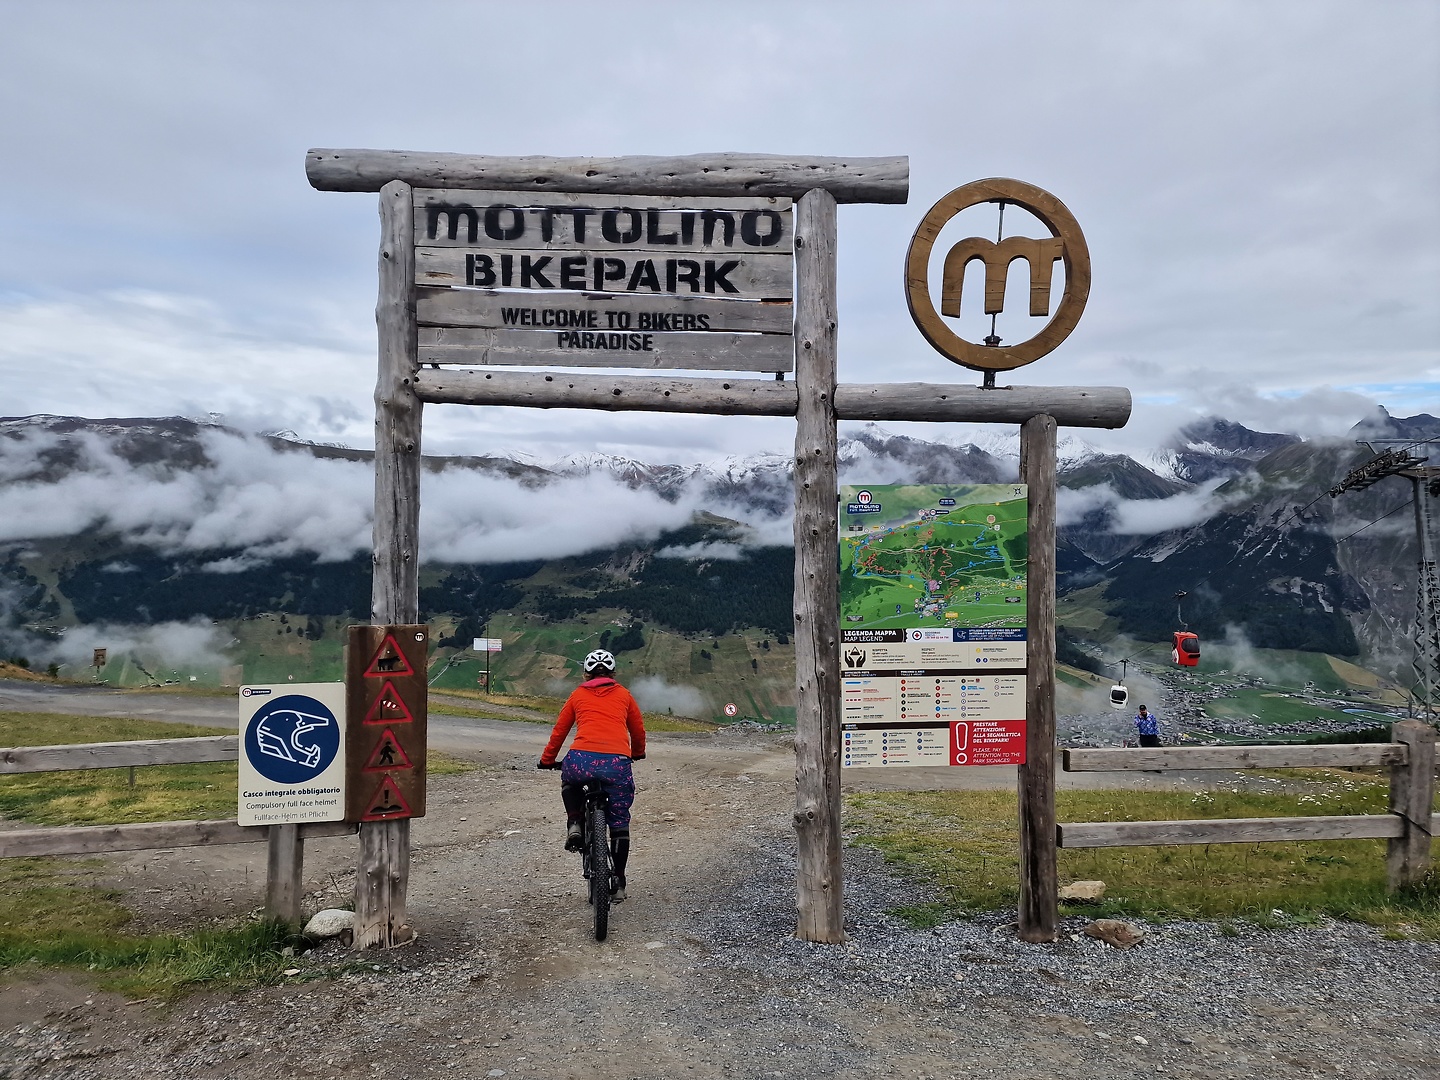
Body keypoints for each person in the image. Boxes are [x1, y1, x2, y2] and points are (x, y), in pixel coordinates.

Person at [538, 649, 646, 901]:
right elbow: (638, 730)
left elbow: (560, 731)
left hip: (581, 760)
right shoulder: (624, 695)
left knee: (570, 780)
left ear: (586, 674)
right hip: (617, 764)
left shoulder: (577, 695)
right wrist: (637, 753)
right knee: (619, 825)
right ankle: (618, 882)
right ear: (613, 673)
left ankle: (575, 821)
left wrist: (547, 760)